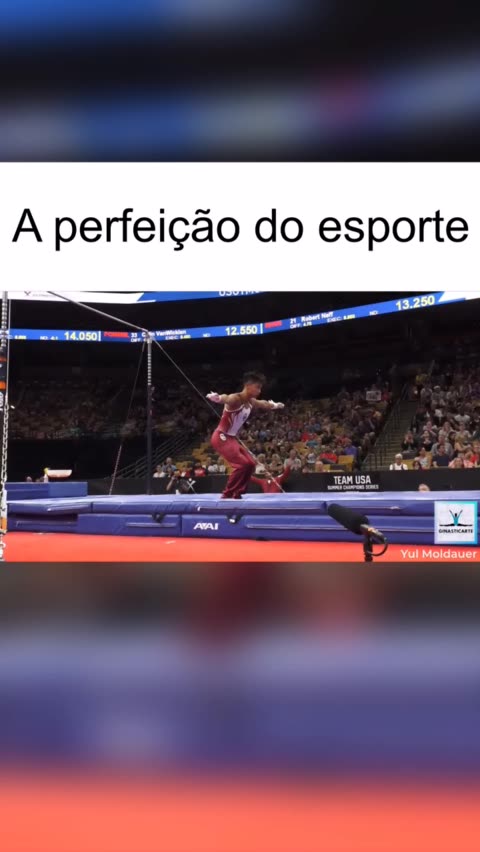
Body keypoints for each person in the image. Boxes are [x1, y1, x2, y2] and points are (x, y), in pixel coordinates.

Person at [207, 372, 284, 499]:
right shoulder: (236, 399)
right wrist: (218, 398)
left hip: (231, 438)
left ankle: (238, 493)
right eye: (257, 387)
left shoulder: (251, 402)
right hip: (221, 436)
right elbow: (227, 398)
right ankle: (227, 494)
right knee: (242, 464)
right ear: (248, 386)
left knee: (251, 464)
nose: (259, 391)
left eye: (260, 388)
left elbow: (264, 404)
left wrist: (275, 405)